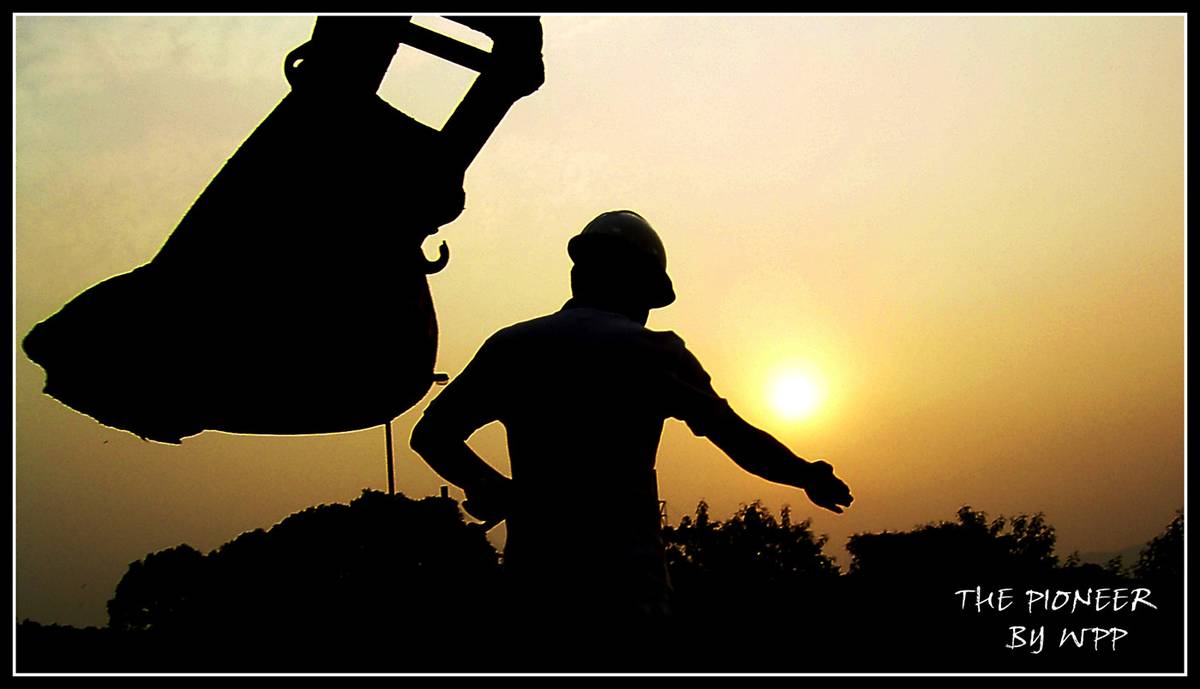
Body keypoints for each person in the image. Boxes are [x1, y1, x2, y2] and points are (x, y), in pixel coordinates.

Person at [410, 210, 852, 633]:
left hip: (536, 596)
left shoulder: (512, 347)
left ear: (579, 274)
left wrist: (497, 490)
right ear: (639, 284)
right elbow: (737, 438)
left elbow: (431, 435)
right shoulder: (655, 353)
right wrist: (805, 474)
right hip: (630, 597)